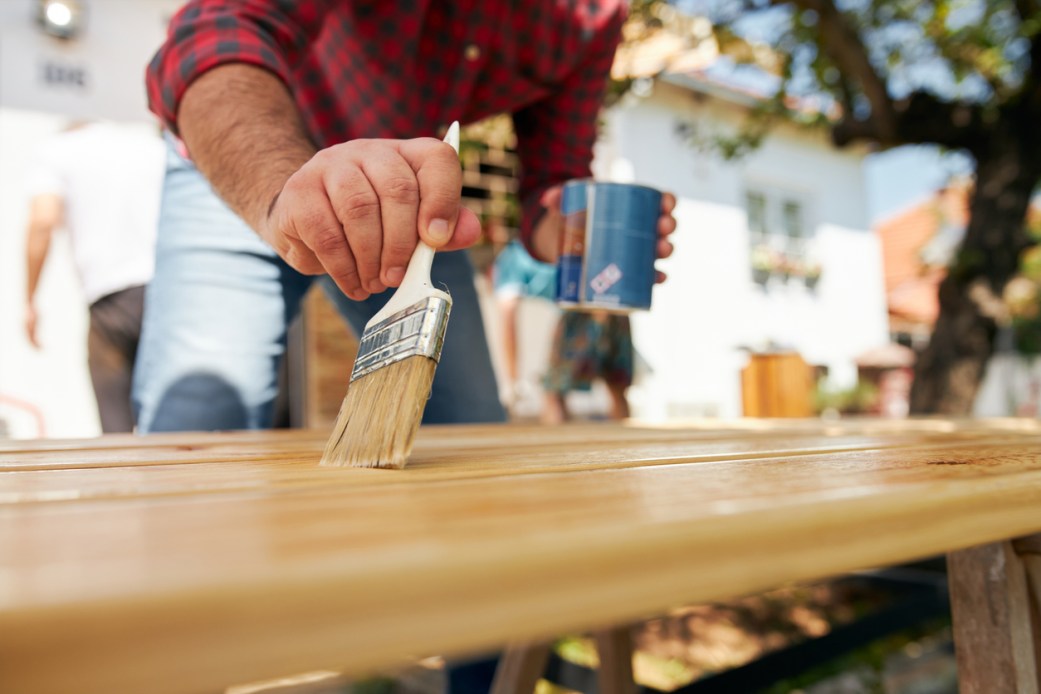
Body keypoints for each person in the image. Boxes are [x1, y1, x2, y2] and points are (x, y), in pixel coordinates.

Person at [140, 2, 676, 690]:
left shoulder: (594, 14)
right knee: (193, 436)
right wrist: (281, 188)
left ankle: (481, 684)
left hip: (408, 194)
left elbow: (550, 176)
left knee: (474, 466)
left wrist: (561, 231)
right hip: (241, 156)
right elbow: (213, 33)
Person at [24, 120, 165, 433]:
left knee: (117, 428)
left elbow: (43, 221)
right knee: (173, 421)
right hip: (170, 292)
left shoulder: (57, 151)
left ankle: (124, 482)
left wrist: (31, 299)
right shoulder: (151, 147)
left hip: (111, 303)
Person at [491, 233, 558, 414]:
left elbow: (508, 316)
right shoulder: (564, 244)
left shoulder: (512, 257)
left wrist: (513, 380)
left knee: (553, 395)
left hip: (568, 324)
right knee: (616, 386)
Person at [542, 310, 634, 424]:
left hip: (580, 310)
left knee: (554, 391)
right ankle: (622, 438)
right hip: (615, 308)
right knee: (618, 388)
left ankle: (556, 439)